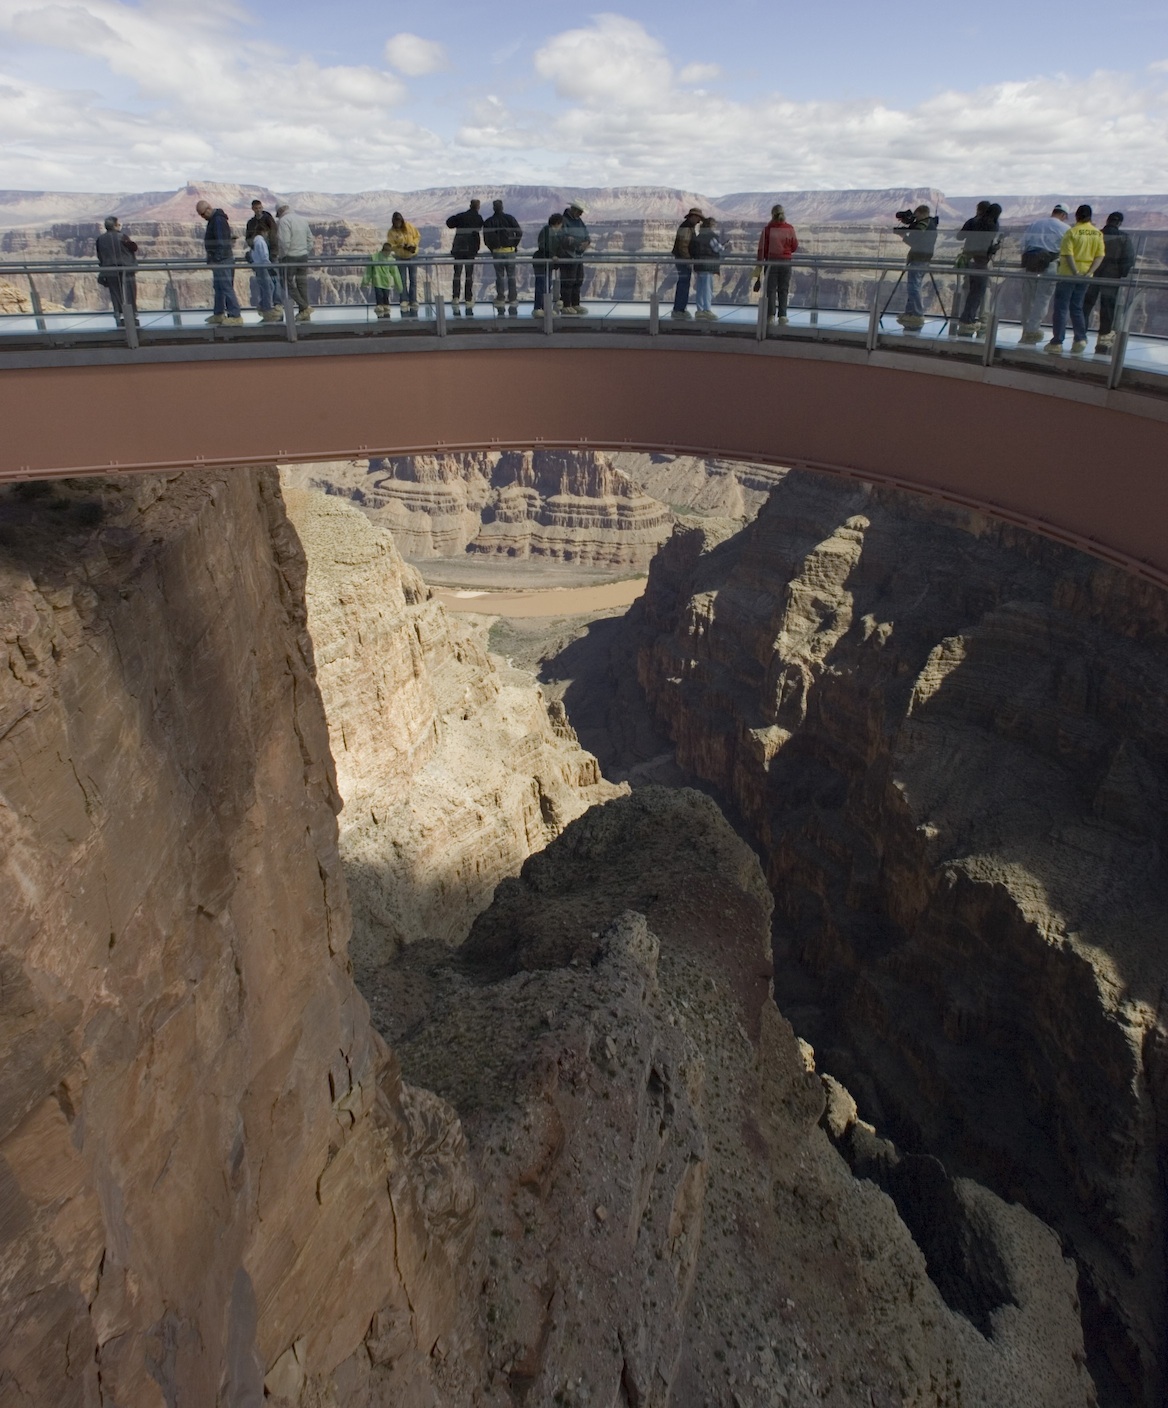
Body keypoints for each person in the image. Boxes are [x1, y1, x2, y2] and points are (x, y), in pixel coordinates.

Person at [1047, 204, 1105, 357]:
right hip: (1086, 276)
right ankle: (1080, 339)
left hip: (1067, 275)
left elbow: (1067, 254)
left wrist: (1075, 272)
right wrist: (1089, 272)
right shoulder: (1097, 234)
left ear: (1077, 216)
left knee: (1061, 308)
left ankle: (1057, 342)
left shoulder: (1071, 232)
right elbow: (1100, 256)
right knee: (1077, 307)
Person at [1017, 203, 1069, 344]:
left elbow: (1023, 244)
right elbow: (1068, 250)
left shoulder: (1036, 224)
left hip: (1030, 263)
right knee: (1042, 299)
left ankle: (1025, 328)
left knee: (1028, 297)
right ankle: (1032, 330)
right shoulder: (1065, 228)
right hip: (1050, 264)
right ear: (1064, 215)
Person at [1083, 211, 1135, 353]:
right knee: (1107, 308)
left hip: (1091, 274)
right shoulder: (1124, 238)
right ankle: (1104, 339)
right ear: (1119, 223)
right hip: (1111, 278)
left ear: (1107, 221)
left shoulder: (1096, 234)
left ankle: (1080, 335)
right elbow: (1128, 259)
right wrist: (1122, 274)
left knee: (1086, 305)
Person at [956, 201, 1001, 334]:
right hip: (983, 262)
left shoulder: (972, 222)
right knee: (980, 291)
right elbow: (990, 244)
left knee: (969, 290)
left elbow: (960, 236)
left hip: (969, 259)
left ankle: (967, 317)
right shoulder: (993, 225)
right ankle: (972, 319)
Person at [195, 199, 242, 326]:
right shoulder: (214, 220)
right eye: (201, 215)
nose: (203, 217)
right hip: (219, 260)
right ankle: (219, 313)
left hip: (222, 260)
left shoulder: (218, 220)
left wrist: (216, 258)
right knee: (219, 287)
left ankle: (235, 315)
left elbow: (221, 242)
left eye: (203, 214)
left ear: (209, 208)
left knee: (226, 287)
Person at [895, 204, 938, 331]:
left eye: (916, 214)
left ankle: (917, 314)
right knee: (913, 286)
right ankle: (910, 313)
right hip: (924, 258)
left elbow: (914, 241)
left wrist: (903, 236)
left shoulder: (923, 225)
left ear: (920, 213)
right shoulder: (930, 223)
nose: (915, 217)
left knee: (914, 287)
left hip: (919, 259)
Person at [754, 204, 799, 324]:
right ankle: (783, 316)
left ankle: (770, 316)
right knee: (783, 289)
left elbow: (761, 248)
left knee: (771, 290)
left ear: (772, 215)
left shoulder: (767, 229)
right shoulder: (790, 228)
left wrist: (759, 263)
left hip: (771, 262)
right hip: (786, 262)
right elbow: (794, 246)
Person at [94, 215, 138, 325]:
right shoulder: (122, 237)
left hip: (110, 270)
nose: (119, 226)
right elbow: (133, 248)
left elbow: (100, 255)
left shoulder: (100, 239)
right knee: (129, 293)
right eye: (118, 224)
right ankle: (132, 316)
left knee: (115, 293)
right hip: (126, 270)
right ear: (114, 225)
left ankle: (118, 314)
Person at [275, 204, 314, 321]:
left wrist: (282, 256)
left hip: (290, 257)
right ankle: (304, 313)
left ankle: (305, 307)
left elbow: (284, 241)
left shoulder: (283, 221)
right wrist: (305, 251)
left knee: (287, 283)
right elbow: (310, 239)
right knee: (302, 283)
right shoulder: (302, 219)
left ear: (280, 210)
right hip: (303, 257)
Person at [483, 199, 523, 311]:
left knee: (499, 276)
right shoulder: (510, 218)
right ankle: (513, 298)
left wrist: (492, 248)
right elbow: (519, 232)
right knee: (511, 276)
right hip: (510, 251)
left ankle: (500, 298)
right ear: (502, 207)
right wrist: (514, 245)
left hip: (497, 252)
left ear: (493, 208)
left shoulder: (489, 221)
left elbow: (486, 238)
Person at [445, 199, 483, 308]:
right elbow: (479, 229)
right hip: (471, 250)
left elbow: (449, 223)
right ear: (478, 207)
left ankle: (455, 297)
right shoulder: (478, 218)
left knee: (457, 274)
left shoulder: (461, 216)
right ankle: (468, 298)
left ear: (470, 205)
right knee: (469, 275)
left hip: (459, 248)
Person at [671, 206, 704, 319]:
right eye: (698, 218)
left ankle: (680, 309)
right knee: (684, 284)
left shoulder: (687, 227)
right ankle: (679, 310)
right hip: (683, 260)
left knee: (684, 283)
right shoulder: (686, 228)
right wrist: (688, 260)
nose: (699, 221)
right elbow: (683, 246)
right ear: (693, 217)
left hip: (683, 259)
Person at [559, 201, 591, 314]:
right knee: (568, 281)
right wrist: (578, 243)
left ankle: (575, 304)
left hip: (578, 256)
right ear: (574, 210)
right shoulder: (564, 221)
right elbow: (564, 238)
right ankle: (566, 304)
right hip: (568, 256)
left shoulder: (579, 221)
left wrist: (587, 242)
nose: (581, 214)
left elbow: (586, 234)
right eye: (580, 212)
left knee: (578, 280)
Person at [386, 211, 421, 312]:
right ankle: (404, 300)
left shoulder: (409, 226)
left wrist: (412, 244)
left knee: (413, 279)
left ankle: (413, 300)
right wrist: (398, 246)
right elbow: (389, 245)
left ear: (401, 220)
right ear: (393, 222)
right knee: (402, 280)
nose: (398, 224)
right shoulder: (391, 232)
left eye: (399, 221)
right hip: (400, 257)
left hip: (413, 256)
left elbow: (417, 236)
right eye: (396, 222)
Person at [532, 213, 564, 316]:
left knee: (547, 285)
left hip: (547, 263)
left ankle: (545, 308)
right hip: (542, 262)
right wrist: (552, 256)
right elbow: (543, 246)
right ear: (557, 223)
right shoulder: (547, 231)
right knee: (542, 285)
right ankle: (539, 308)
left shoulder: (552, 233)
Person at [692, 217, 723, 320]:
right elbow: (717, 248)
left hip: (699, 265)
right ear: (711, 226)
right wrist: (725, 246)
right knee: (707, 289)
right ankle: (707, 310)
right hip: (707, 265)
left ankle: (699, 310)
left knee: (700, 289)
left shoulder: (699, 235)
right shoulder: (710, 236)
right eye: (714, 226)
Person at [361, 241, 403, 318]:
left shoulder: (381, 258)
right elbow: (369, 271)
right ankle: (382, 308)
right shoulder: (376, 258)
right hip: (381, 281)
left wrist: (365, 282)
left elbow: (395, 273)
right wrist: (399, 286)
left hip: (382, 281)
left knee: (384, 296)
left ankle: (383, 308)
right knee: (380, 296)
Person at [248, 226, 281, 322]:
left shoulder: (255, 241)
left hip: (258, 267)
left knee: (267, 286)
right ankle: (267, 309)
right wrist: (270, 268)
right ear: (263, 231)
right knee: (268, 287)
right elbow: (264, 257)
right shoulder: (261, 242)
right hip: (263, 267)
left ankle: (263, 305)